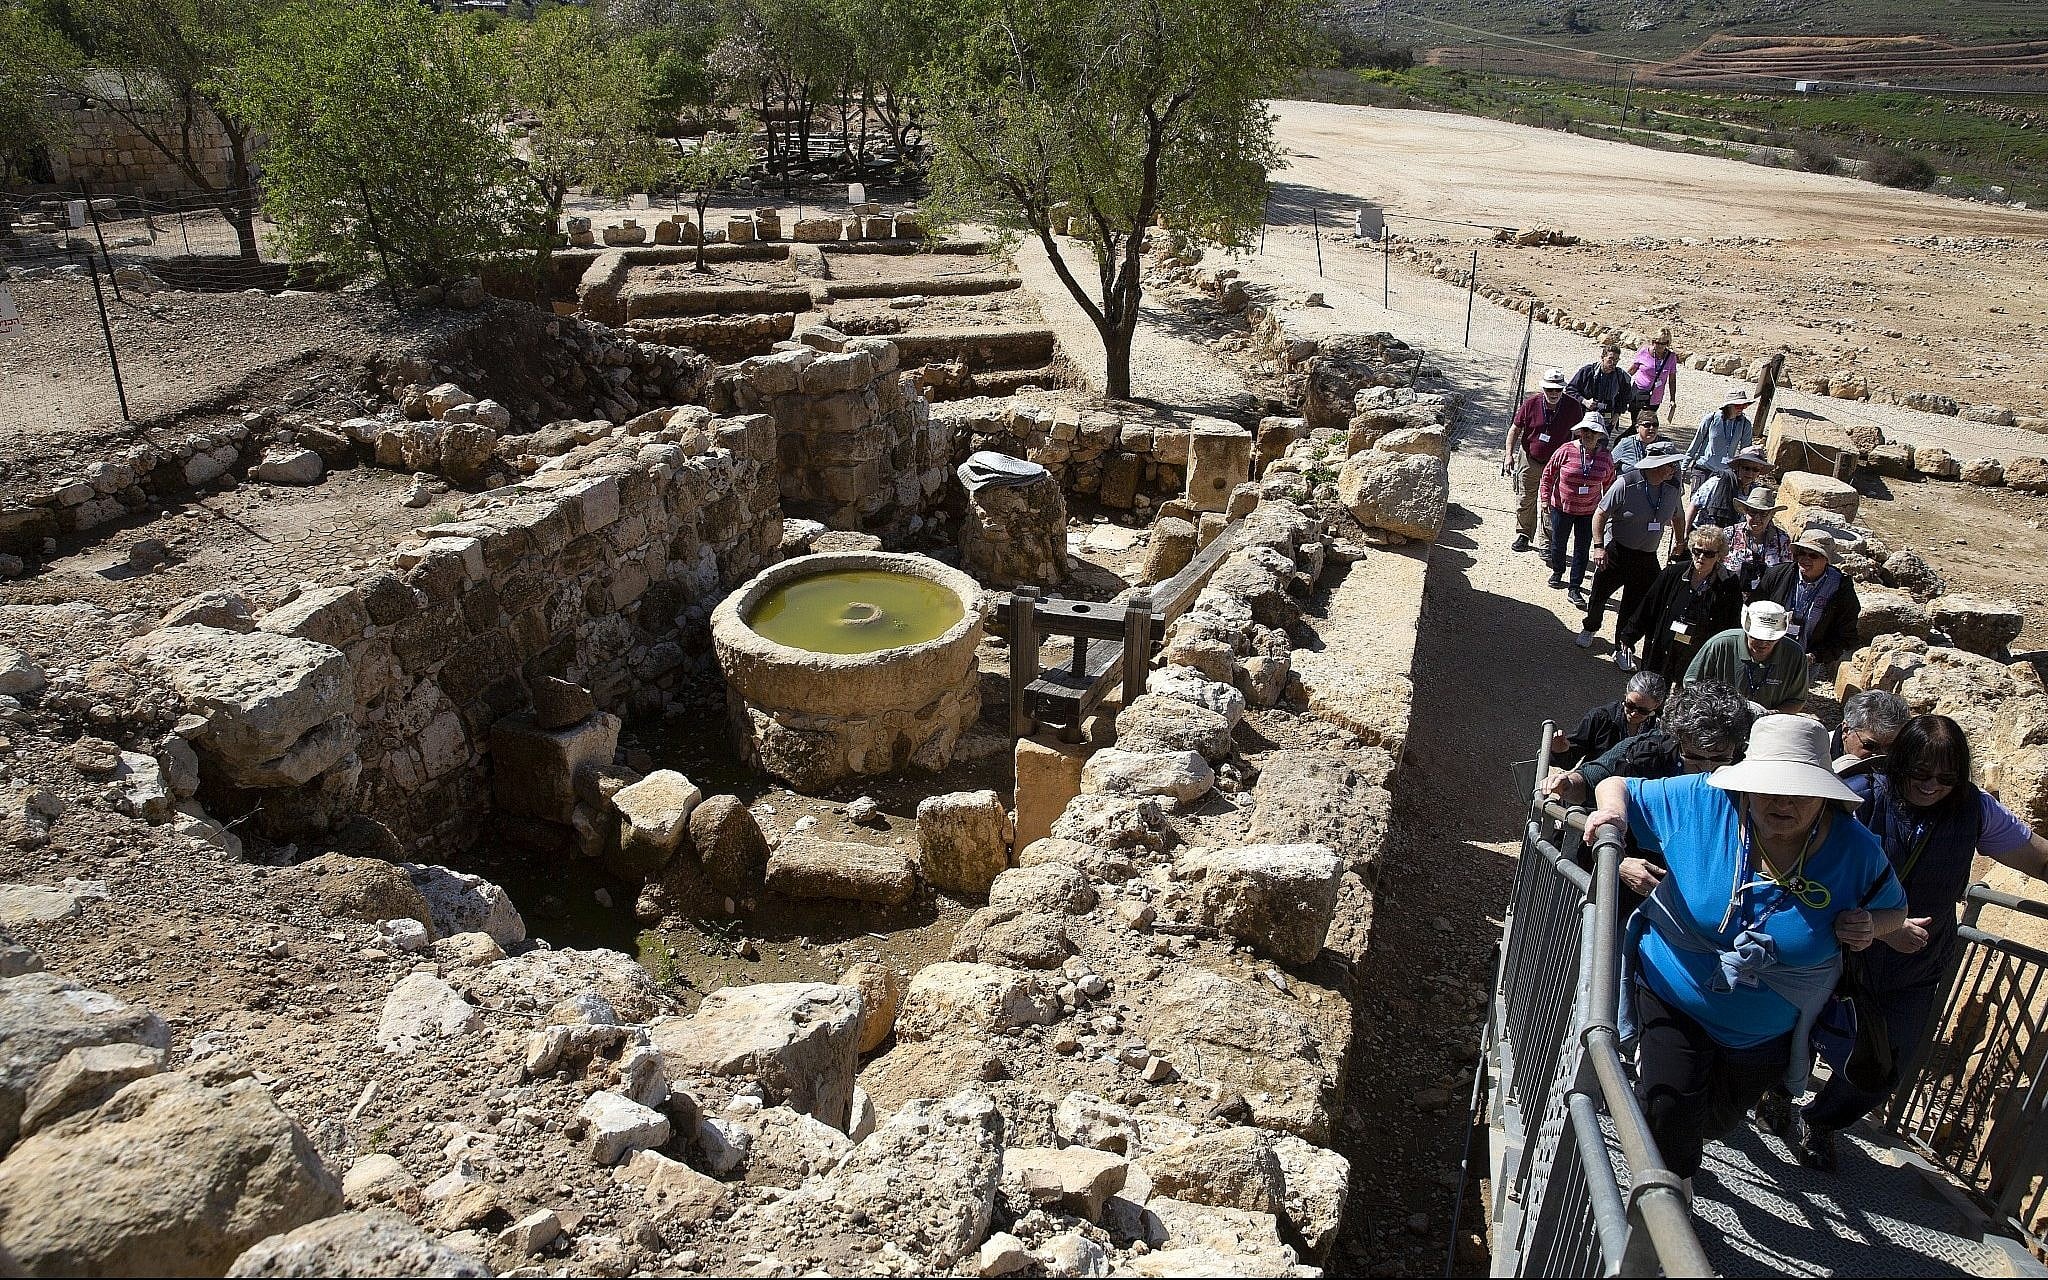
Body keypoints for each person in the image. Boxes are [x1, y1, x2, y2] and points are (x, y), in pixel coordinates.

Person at [1586, 714, 1908, 1183]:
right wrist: (1613, 818)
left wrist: (1870, 926)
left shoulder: (1857, 852)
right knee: (1671, 1110)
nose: (1782, 801)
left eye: (1800, 791)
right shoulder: (1705, 800)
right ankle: (1667, 1209)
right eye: (1769, 786)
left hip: (1765, 1031)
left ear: (1826, 795)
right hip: (1673, 992)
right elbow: (1618, 784)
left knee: (1715, 1121)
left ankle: (1679, 1142)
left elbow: (1894, 910)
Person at [1761, 715, 2048, 1171]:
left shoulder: (1973, 809)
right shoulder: (1858, 791)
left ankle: (1821, 1120)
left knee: (1884, 1062)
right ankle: (1775, 1092)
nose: (1932, 786)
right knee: (1794, 1030)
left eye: (1946, 778)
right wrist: (1883, 926)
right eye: (1921, 774)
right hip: (1832, 943)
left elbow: (2035, 857)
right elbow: (1792, 854)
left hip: (1915, 962)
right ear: (1900, 763)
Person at [1547, 679, 1750, 810]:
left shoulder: (1748, 767)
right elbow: (1592, 779)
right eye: (1694, 757)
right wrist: (1567, 784)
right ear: (1677, 739)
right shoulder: (1644, 751)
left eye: (1720, 759)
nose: (1706, 769)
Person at [1578, 441, 1686, 654]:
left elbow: (1678, 516)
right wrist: (1599, 547)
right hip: (1617, 551)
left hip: (1647, 556)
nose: (1674, 470)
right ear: (1656, 465)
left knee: (1634, 605)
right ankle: (1590, 627)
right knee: (1599, 595)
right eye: (1671, 465)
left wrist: (1680, 542)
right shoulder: (1625, 484)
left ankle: (1622, 645)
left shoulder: (1673, 489)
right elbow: (1600, 513)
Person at [1620, 525, 1742, 684]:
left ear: (1719, 556)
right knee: (1654, 690)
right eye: (1697, 551)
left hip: (1698, 652)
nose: (1701, 557)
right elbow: (1649, 605)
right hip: (1664, 644)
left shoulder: (1728, 584)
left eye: (1709, 553)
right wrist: (1629, 635)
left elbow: (1731, 623)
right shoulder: (1673, 573)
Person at [1753, 530, 1861, 675]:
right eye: (1801, 553)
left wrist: (1815, 657)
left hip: (1806, 663)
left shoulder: (1841, 589)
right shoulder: (1777, 575)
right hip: (1766, 654)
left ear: (1826, 559)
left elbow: (1846, 635)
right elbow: (1752, 610)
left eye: (1813, 555)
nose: (1805, 559)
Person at [1504, 368, 1586, 555]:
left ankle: (1546, 542)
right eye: (1550, 390)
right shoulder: (1531, 403)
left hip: (1557, 462)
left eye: (1558, 390)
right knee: (1525, 497)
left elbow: (1579, 435)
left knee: (1550, 501)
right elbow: (1515, 429)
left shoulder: (1573, 407)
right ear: (1543, 389)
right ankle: (1524, 533)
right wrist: (1508, 455)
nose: (1554, 393)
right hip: (1530, 457)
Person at [1539, 415, 1615, 607]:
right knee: (1558, 543)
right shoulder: (1565, 450)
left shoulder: (1606, 457)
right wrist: (1545, 499)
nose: (1589, 435)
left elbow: (1610, 485)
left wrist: (1607, 510)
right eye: (1586, 431)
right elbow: (1548, 474)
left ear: (1600, 435)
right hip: (1561, 507)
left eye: (1594, 432)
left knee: (1582, 548)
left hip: (1589, 511)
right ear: (1580, 432)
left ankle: (1575, 587)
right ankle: (1558, 571)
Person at [1687, 601, 1811, 714]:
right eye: (1756, 637)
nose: (1763, 643)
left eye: (1770, 638)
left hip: (1769, 724)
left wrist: (1770, 715)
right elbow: (1692, 684)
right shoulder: (1719, 644)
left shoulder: (1794, 654)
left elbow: (1797, 700)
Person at [1549, 671, 1671, 768]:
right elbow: (1569, 761)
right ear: (1626, 694)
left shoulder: (1660, 730)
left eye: (1643, 711)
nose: (1634, 713)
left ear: (1656, 706)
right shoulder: (1601, 718)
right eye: (1630, 705)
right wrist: (1560, 750)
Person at [1726, 485, 1794, 599]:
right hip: (1730, 598)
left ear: (1771, 515)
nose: (1757, 518)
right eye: (1752, 512)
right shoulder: (1729, 534)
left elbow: (1786, 574)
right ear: (1745, 512)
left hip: (1766, 603)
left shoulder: (1782, 539)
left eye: (1763, 513)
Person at [1687, 446, 1775, 534]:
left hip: (1735, 540)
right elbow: (1694, 506)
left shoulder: (1756, 491)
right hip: (1704, 535)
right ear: (1738, 467)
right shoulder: (1717, 482)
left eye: (1755, 470)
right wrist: (1683, 536)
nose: (1750, 473)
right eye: (1746, 468)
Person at [1684, 389, 1758, 491]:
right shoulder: (1711, 419)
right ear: (1728, 406)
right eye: (1738, 406)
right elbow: (1695, 444)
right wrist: (1683, 468)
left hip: (1724, 473)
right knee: (1696, 503)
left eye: (1744, 406)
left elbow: (1746, 452)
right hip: (1703, 468)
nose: (1742, 408)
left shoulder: (1745, 424)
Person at [1832, 689, 1910, 777]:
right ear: (1846, 731)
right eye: (1870, 746)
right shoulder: (1818, 755)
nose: (1882, 755)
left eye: (1891, 748)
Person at [1629, 328, 1682, 426]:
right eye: (1656, 342)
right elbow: (1632, 370)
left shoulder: (1671, 357)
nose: (1659, 346)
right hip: (1639, 393)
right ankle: (1621, 441)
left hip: (1655, 397)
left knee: (1647, 424)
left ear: (1668, 343)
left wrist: (1672, 399)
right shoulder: (1644, 351)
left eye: (1663, 343)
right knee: (1636, 424)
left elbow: (1672, 379)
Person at [1568, 343, 1634, 420]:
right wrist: (1584, 401)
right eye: (1610, 359)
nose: (1613, 363)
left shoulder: (1621, 376)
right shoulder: (1588, 372)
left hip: (1607, 417)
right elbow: (1570, 390)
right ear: (1603, 357)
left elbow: (1625, 398)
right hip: (1584, 415)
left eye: (1616, 360)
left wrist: (1617, 414)